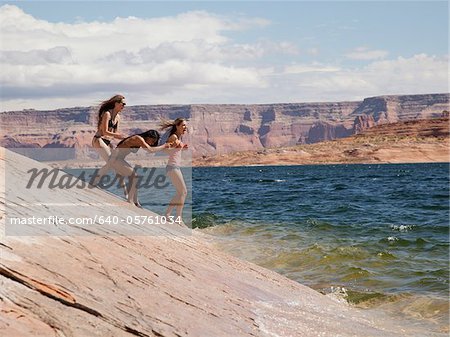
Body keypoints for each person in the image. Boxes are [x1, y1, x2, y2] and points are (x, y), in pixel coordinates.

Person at [104, 130, 170, 207]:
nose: (151, 143)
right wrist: (164, 146)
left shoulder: (140, 140)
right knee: (134, 177)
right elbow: (150, 150)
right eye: (152, 141)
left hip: (119, 159)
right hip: (115, 159)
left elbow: (150, 149)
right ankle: (130, 200)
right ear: (148, 137)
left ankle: (135, 201)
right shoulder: (139, 139)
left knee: (134, 178)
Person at [91, 94, 127, 196]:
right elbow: (105, 131)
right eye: (122, 104)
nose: (123, 106)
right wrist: (118, 135)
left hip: (108, 142)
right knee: (112, 163)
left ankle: (126, 193)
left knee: (116, 165)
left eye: (125, 104)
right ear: (116, 103)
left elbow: (114, 134)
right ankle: (94, 182)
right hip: (98, 140)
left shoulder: (118, 117)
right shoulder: (107, 114)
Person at [160, 118, 189, 223]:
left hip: (175, 166)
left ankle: (167, 214)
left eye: (186, 125)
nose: (185, 127)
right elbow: (164, 150)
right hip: (172, 167)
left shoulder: (178, 137)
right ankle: (178, 218)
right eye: (183, 125)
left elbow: (175, 150)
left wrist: (182, 147)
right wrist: (175, 147)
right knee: (183, 192)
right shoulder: (173, 137)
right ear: (177, 126)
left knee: (180, 193)